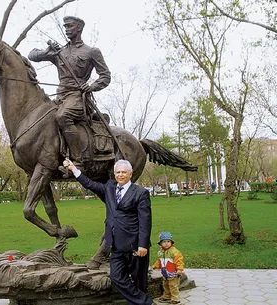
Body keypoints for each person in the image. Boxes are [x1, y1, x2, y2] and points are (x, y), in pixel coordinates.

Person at [66, 158, 156, 305]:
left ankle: (139, 302)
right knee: (116, 277)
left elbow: (145, 221)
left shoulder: (140, 193)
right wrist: (74, 169)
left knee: (139, 280)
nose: (120, 175)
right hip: (115, 243)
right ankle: (145, 302)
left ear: (130, 174)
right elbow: (90, 184)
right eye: (118, 172)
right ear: (115, 174)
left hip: (135, 244)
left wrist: (143, 245)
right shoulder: (109, 187)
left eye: (123, 172)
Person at [28, 16, 111, 166]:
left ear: (79, 28)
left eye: (70, 26)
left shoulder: (91, 51)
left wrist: (91, 86)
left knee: (62, 116)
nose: (66, 29)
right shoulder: (60, 52)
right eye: (65, 27)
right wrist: (47, 52)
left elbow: (105, 76)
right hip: (61, 95)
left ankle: (78, 160)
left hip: (78, 96)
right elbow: (32, 55)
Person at [152, 232, 184, 304]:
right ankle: (167, 296)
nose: (166, 243)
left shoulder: (174, 251)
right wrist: (155, 266)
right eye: (164, 241)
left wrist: (179, 269)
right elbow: (159, 261)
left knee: (173, 286)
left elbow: (179, 261)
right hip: (165, 273)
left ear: (171, 242)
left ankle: (175, 298)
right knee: (165, 285)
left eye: (168, 241)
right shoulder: (160, 252)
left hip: (173, 273)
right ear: (160, 243)